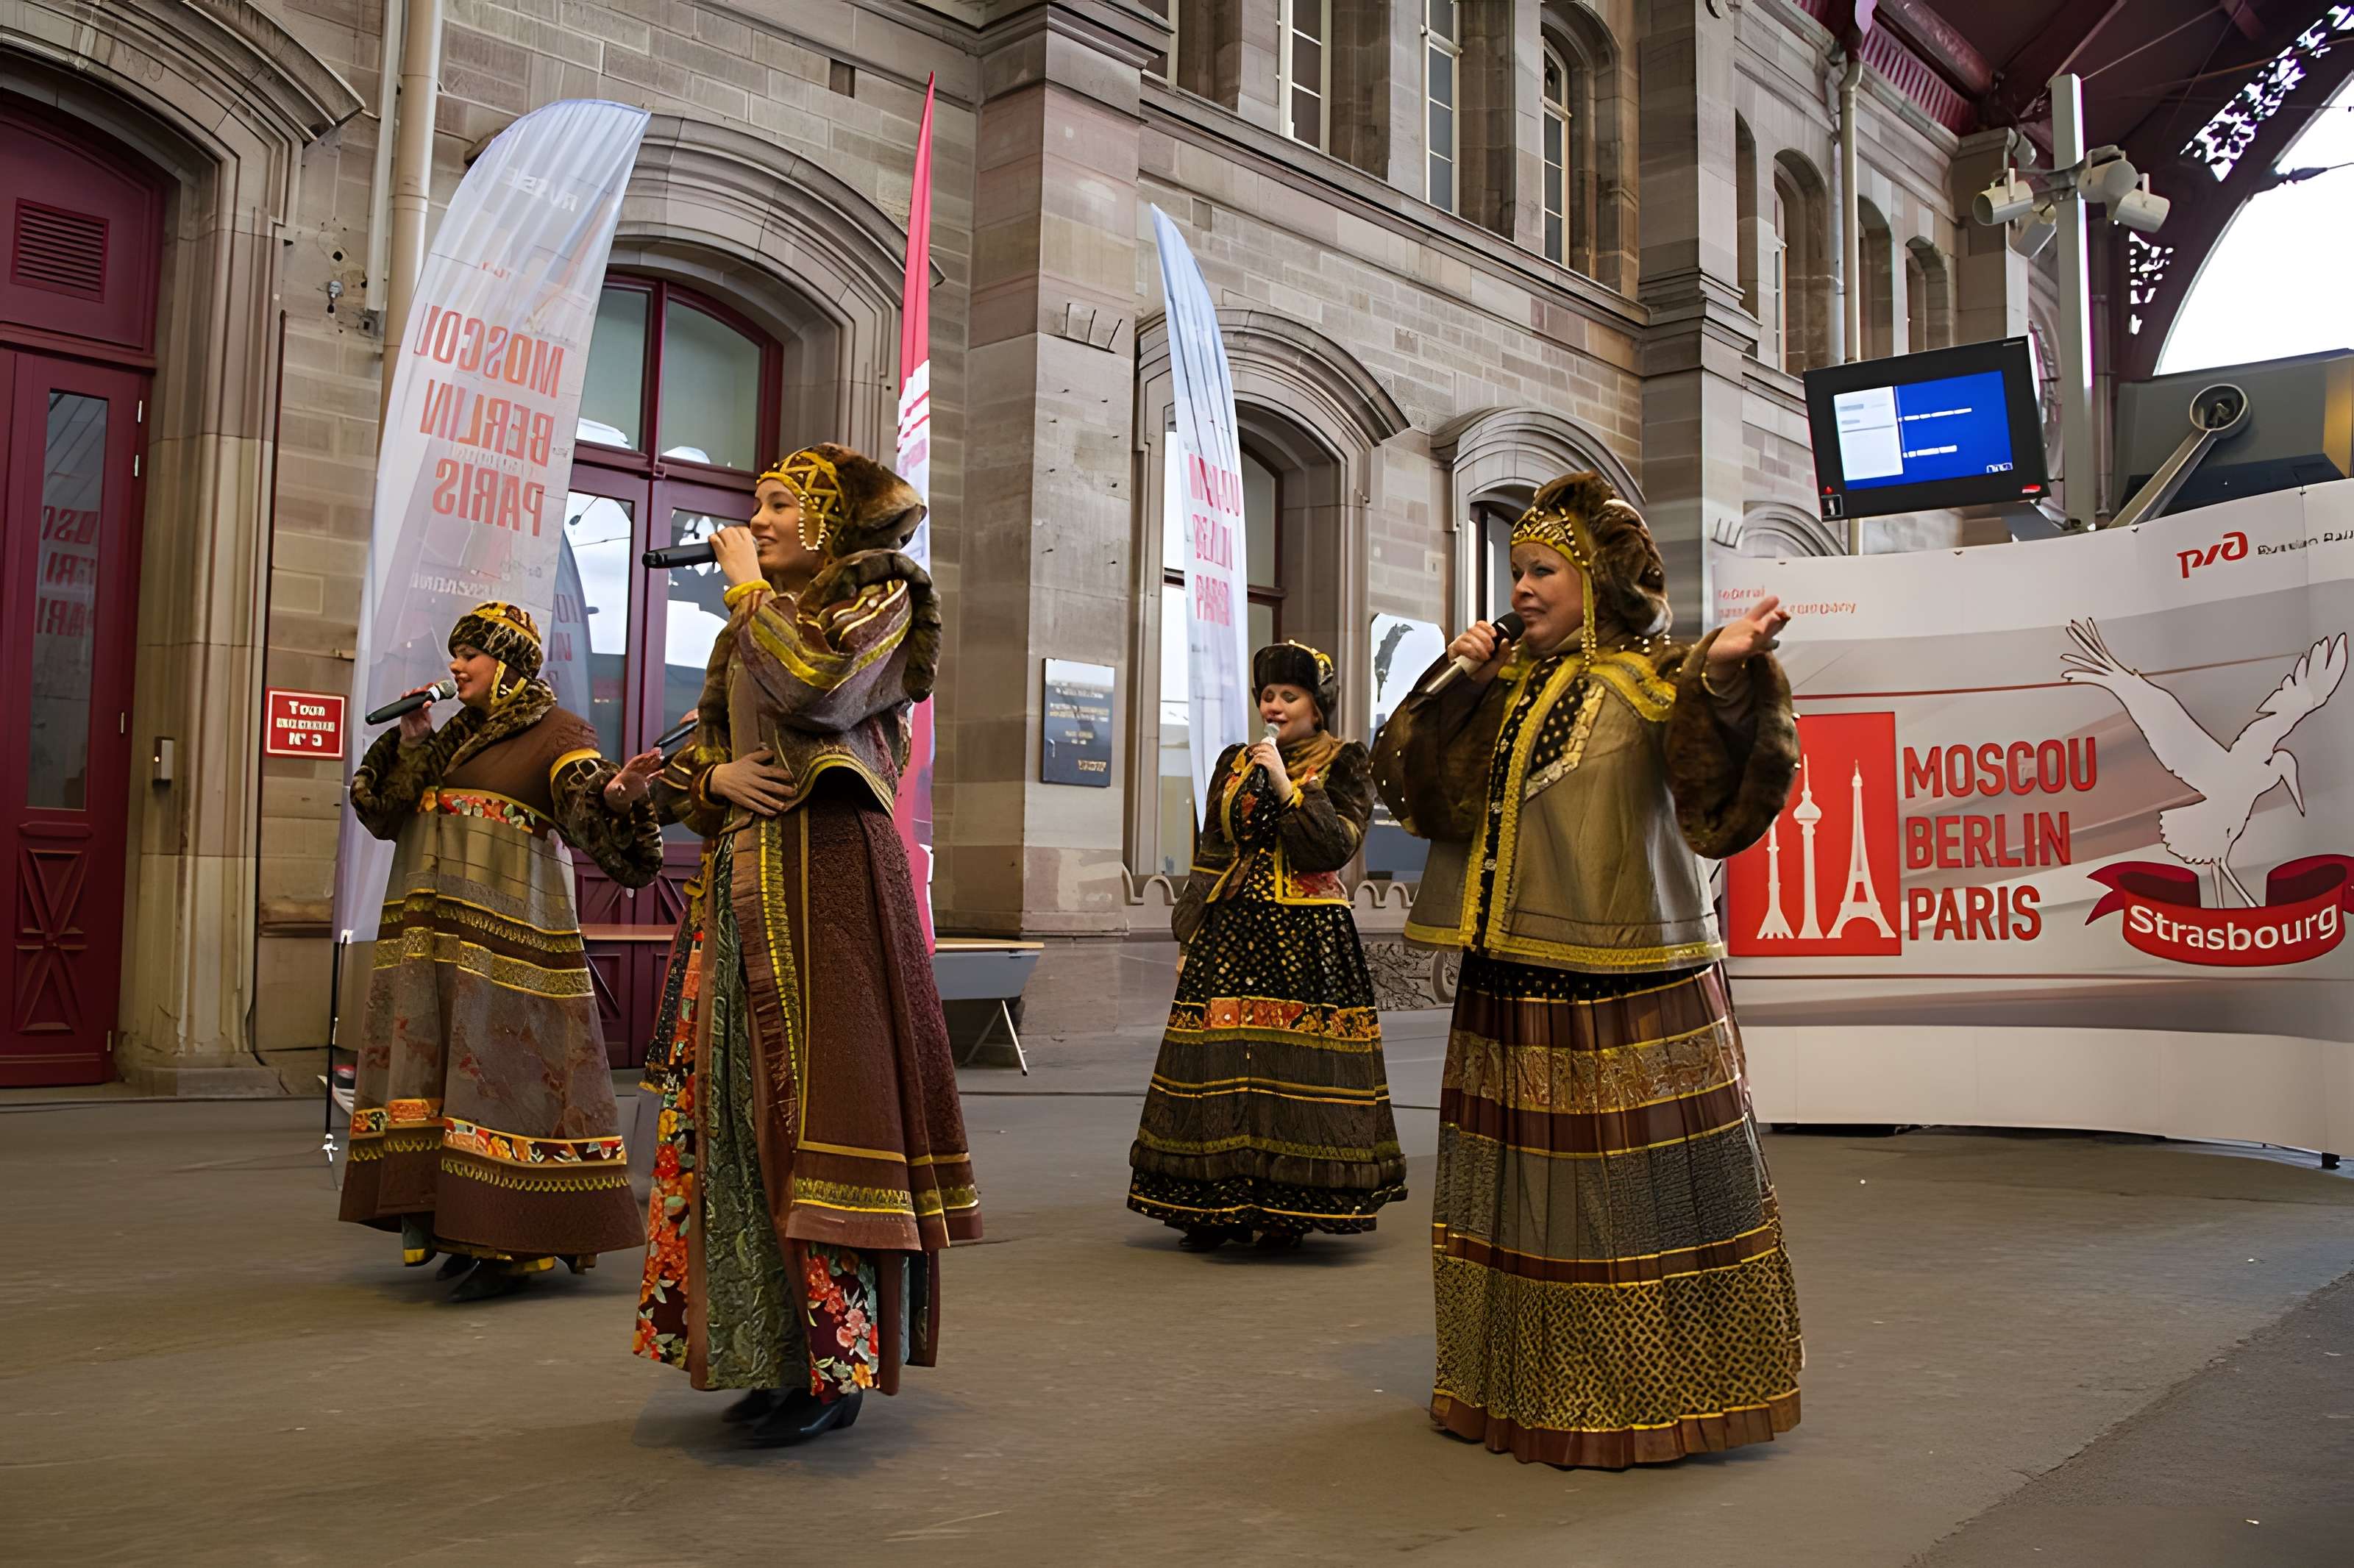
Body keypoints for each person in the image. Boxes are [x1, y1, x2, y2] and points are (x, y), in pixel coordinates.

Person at [1372, 471, 1804, 1468]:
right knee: (1522, 1193)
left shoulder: (1657, 678)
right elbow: (1419, 794)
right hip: (1511, 980)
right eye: (1516, 570)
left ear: (1596, 580)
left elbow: (1723, 787)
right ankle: (1520, 1386)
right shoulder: (1505, 687)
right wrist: (1455, 682)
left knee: (1627, 1198)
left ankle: (1650, 1393)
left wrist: (1727, 675)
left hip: (1625, 983)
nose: (1521, 588)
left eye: (1542, 571)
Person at [633, 444, 980, 1448]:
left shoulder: (883, 599)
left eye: (780, 504)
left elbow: (822, 690)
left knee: (825, 1112)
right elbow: (710, 754)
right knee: (740, 1118)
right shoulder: (755, 624)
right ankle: (769, 1353)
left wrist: (747, 592)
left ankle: (838, 1363)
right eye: (758, 505)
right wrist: (708, 783)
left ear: (829, 520)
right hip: (746, 885)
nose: (758, 520)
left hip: (828, 885)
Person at [341, 602, 664, 1302]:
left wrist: (618, 797)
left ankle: (514, 1239)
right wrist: (412, 743)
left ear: (509, 664)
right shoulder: (449, 736)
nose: (456, 665)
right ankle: (455, 1225)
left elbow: (590, 807)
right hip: (435, 943)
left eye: (471, 655)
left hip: (509, 947)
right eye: (455, 654)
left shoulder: (558, 733)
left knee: (504, 1080)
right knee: (441, 1080)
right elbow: (383, 813)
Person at [1128, 642, 1407, 1250]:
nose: (1274, 707)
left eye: (1290, 696)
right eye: (1268, 695)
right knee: (1219, 1062)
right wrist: (1191, 931)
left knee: (1292, 1065)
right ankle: (1214, 1204)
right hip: (1231, 932)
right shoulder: (1233, 761)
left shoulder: (1344, 760)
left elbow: (1333, 847)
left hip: (1305, 936)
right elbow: (1213, 848)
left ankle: (1287, 1210)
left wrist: (1285, 783)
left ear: (1317, 706)